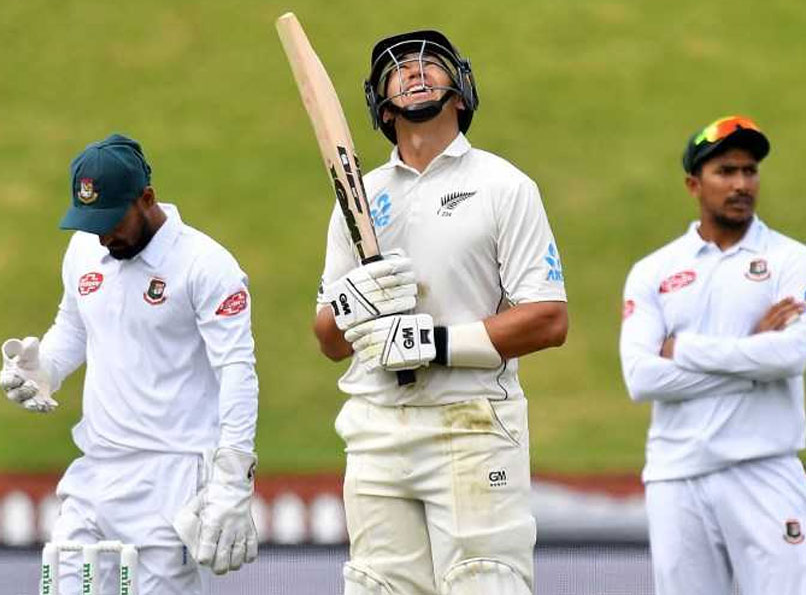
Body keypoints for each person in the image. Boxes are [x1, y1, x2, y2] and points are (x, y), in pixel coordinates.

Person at [314, 30, 568, 595]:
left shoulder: (504, 186)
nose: (416, 70)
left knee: (486, 584)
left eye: (433, 63)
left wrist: (432, 343)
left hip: (472, 423)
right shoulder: (360, 197)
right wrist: (354, 300)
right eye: (399, 68)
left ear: (461, 92)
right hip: (377, 427)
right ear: (382, 106)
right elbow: (330, 339)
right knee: (378, 586)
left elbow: (549, 318)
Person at [0, 134, 259, 594]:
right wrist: (42, 372)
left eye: (112, 219)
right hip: (95, 469)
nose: (102, 233)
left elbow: (237, 373)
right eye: (90, 219)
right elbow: (74, 329)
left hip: (174, 478)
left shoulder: (207, 266)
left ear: (147, 198)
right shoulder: (85, 248)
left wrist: (233, 478)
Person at [619, 115, 806, 595]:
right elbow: (642, 378)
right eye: (726, 171)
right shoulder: (654, 271)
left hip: (765, 469)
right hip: (676, 476)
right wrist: (751, 360)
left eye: (750, 171)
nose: (742, 184)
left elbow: (792, 353)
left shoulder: (792, 261)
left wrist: (684, 350)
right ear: (693, 184)